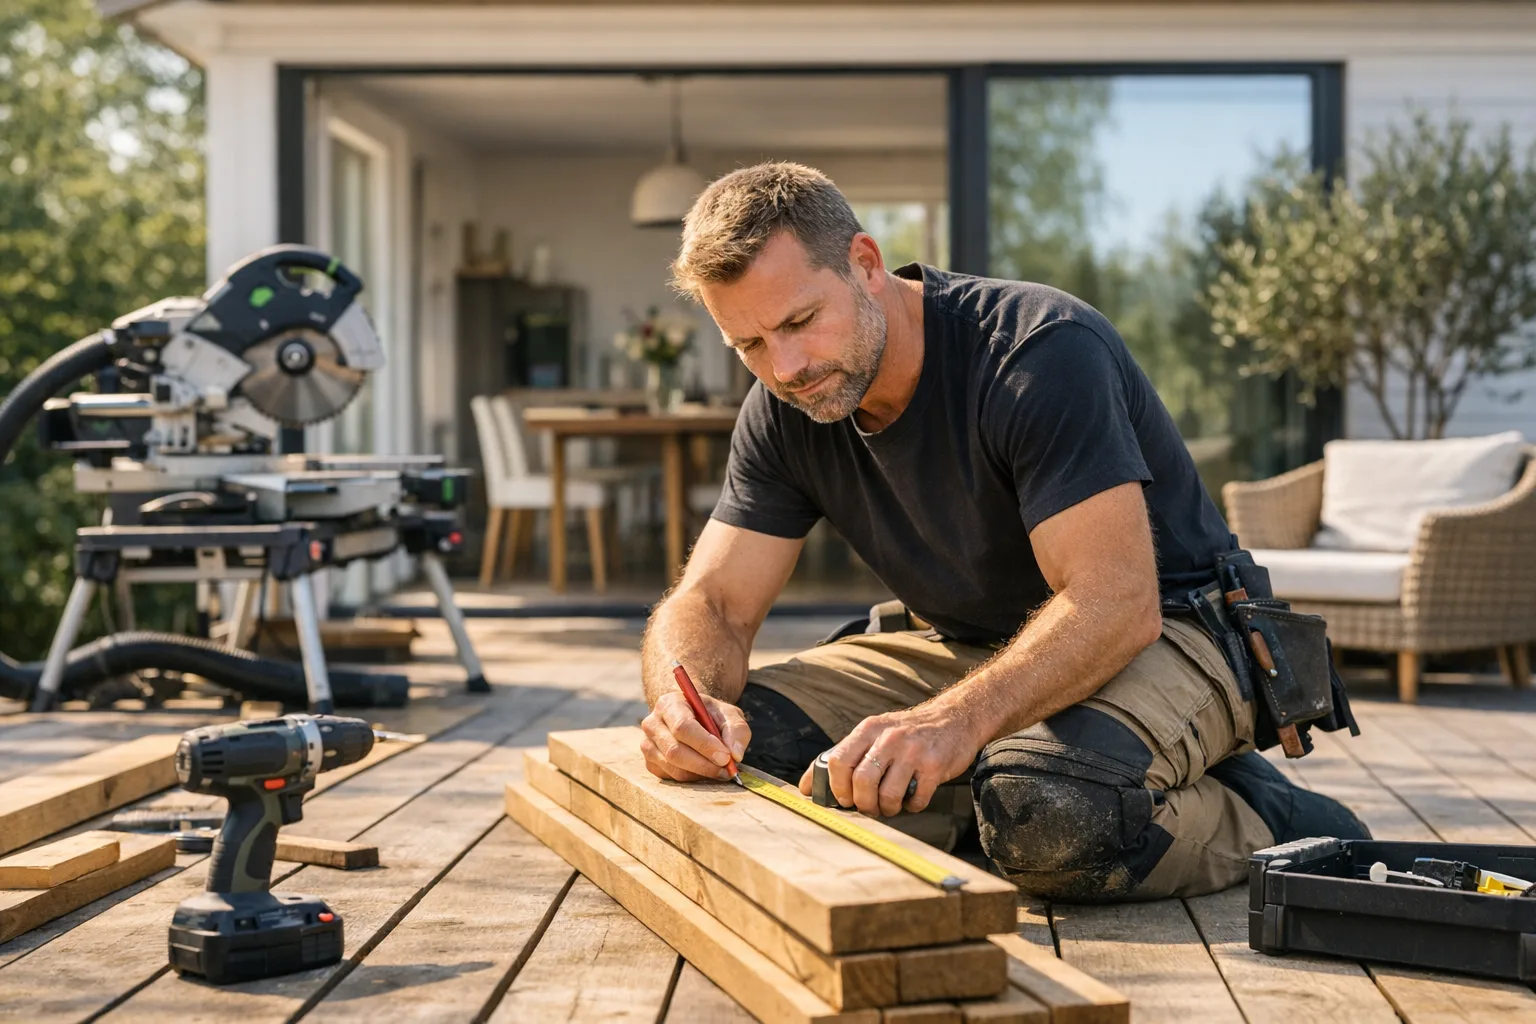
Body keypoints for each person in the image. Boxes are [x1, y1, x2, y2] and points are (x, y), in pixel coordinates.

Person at [637, 162, 1366, 901]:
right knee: (749, 752)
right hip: (972, 646)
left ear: (865, 264)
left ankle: (1270, 814)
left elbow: (1116, 601)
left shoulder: (1038, 352)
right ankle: (1036, 786)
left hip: (1169, 629)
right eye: (749, 346)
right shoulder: (783, 408)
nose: (784, 367)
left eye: (798, 322)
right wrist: (683, 704)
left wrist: (949, 724)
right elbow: (716, 604)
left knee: (1050, 811)